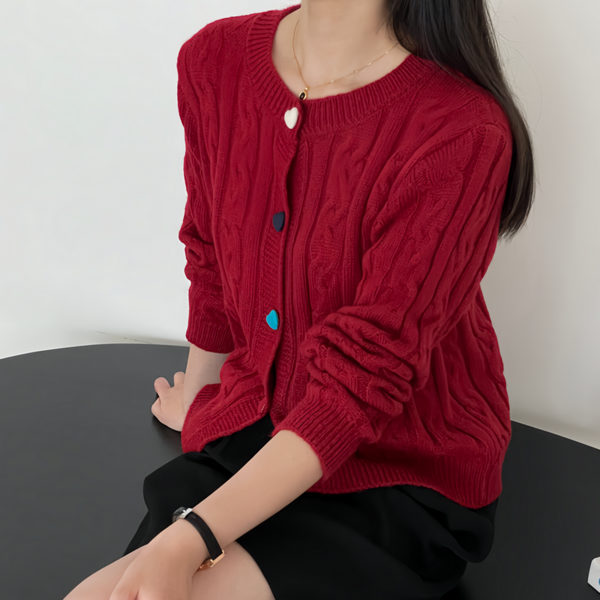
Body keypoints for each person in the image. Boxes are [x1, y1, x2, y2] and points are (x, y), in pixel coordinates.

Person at [64, 1, 535, 599]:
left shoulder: (462, 129)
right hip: (253, 441)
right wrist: (205, 407)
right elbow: (210, 258)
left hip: (395, 475)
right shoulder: (213, 60)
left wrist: (190, 538)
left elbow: (365, 377)